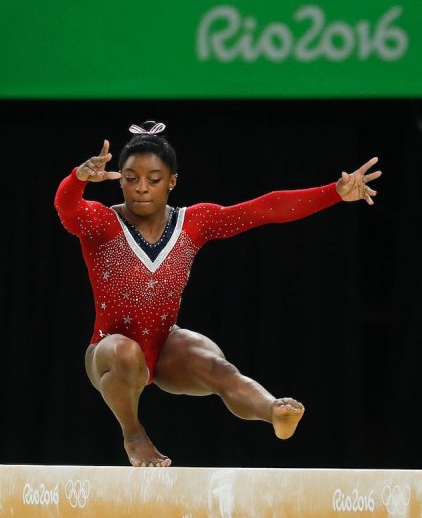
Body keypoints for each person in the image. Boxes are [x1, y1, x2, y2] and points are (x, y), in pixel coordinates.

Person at [54, 120, 381, 467]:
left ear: (172, 182)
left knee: (216, 367)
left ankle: (273, 411)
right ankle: (133, 434)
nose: (141, 189)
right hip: (107, 351)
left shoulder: (193, 223)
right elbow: (67, 208)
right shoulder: (102, 224)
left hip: (165, 347)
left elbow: (263, 210)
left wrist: (334, 192)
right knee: (124, 351)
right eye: (131, 178)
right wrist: (78, 179)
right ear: (119, 178)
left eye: (154, 179)